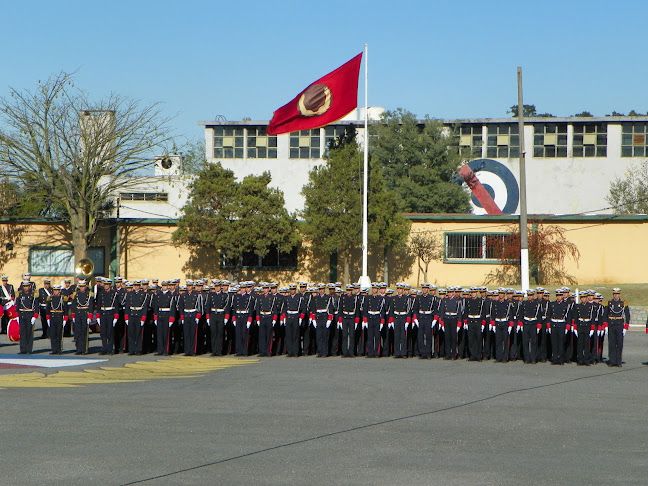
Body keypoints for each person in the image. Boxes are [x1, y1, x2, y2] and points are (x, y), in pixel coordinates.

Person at [605, 288, 630, 367]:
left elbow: (627, 316)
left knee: (619, 343)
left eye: (617, 294)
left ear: (619, 295)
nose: (615, 295)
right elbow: (605, 315)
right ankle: (612, 361)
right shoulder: (609, 303)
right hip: (611, 324)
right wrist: (605, 326)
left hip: (619, 325)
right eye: (614, 294)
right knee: (612, 343)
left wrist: (626, 327)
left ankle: (618, 361)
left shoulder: (623, 303)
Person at [96, 278, 120, 355]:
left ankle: (110, 349)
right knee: (103, 332)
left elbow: (116, 306)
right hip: (103, 313)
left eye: (107, 285)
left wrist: (116, 317)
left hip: (110, 314)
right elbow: (98, 305)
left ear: (110, 285)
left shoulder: (114, 294)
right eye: (105, 284)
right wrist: (98, 316)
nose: (106, 286)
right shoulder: (101, 293)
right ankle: (104, 348)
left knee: (110, 332)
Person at [70, 280, 95, 355]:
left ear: (85, 287)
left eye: (83, 286)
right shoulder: (76, 295)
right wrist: (73, 316)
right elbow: (73, 306)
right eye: (81, 286)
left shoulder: (89, 295)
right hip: (78, 314)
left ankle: (84, 349)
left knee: (84, 333)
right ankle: (78, 349)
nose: (82, 288)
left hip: (85, 314)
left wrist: (90, 316)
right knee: (77, 332)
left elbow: (91, 306)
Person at [17, 280, 39, 354]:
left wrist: (35, 316)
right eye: (24, 286)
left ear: (30, 287)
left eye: (27, 286)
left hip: (30, 314)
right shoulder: (20, 295)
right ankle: (22, 349)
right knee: (22, 332)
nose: (26, 288)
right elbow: (17, 305)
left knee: (29, 332)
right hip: (22, 314)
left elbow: (36, 306)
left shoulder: (33, 295)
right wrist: (17, 316)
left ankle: (29, 349)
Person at [46, 284, 68, 354]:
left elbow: (66, 310)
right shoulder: (50, 298)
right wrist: (48, 319)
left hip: (59, 317)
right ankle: (54, 349)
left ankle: (59, 349)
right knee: (53, 334)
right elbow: (48, 310)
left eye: (57, 290)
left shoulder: (62, 299)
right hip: (52, 317)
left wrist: (65, 319)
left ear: (60, 291)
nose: (56, 292)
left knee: (59, 334)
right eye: (55, 290)